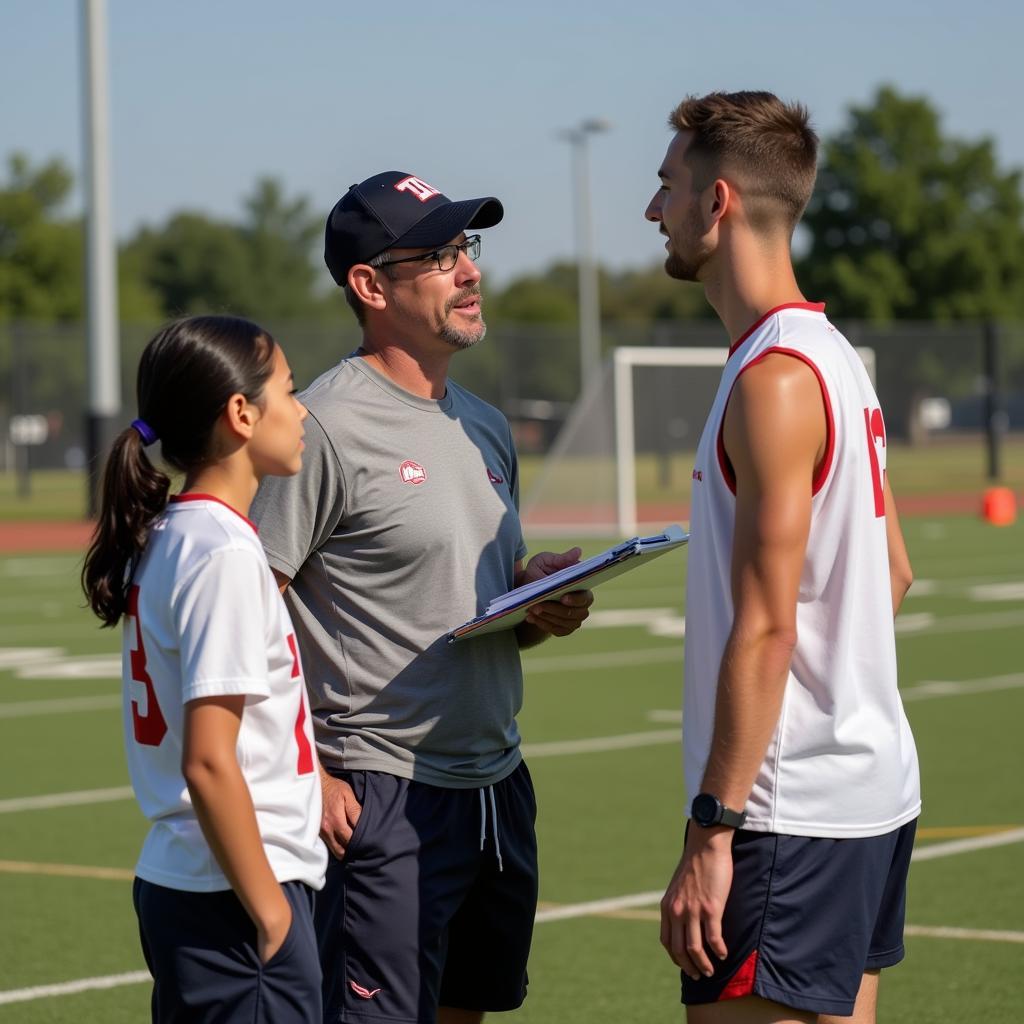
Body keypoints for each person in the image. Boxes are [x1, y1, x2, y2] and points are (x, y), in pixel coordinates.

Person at [249, 170, 594, 1024]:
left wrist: (534, 600)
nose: (469, 271)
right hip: (383, 791)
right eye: (438, 255)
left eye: (466, 248)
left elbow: (473, 610)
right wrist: (311, 771)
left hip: (496, 781)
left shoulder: (484, 423)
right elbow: (245, 614)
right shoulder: (320, 426)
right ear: (369, 285)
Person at [645, 92, 921, 1024]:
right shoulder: (835, 356)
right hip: (866, 794)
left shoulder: (773, 379)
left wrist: (711, 830)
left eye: (667, 187)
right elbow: (894, 571)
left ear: (716, 203)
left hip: (784, 813)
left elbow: (767, 625)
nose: (655, 212)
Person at [82, 315, 327, 1023]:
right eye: (288, 389)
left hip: (201, 888)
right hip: (232, 902)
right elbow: (210, 763)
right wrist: (273, 916)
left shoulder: (177, 534)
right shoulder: (219, 552)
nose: (302, 408)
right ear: (241, 414)